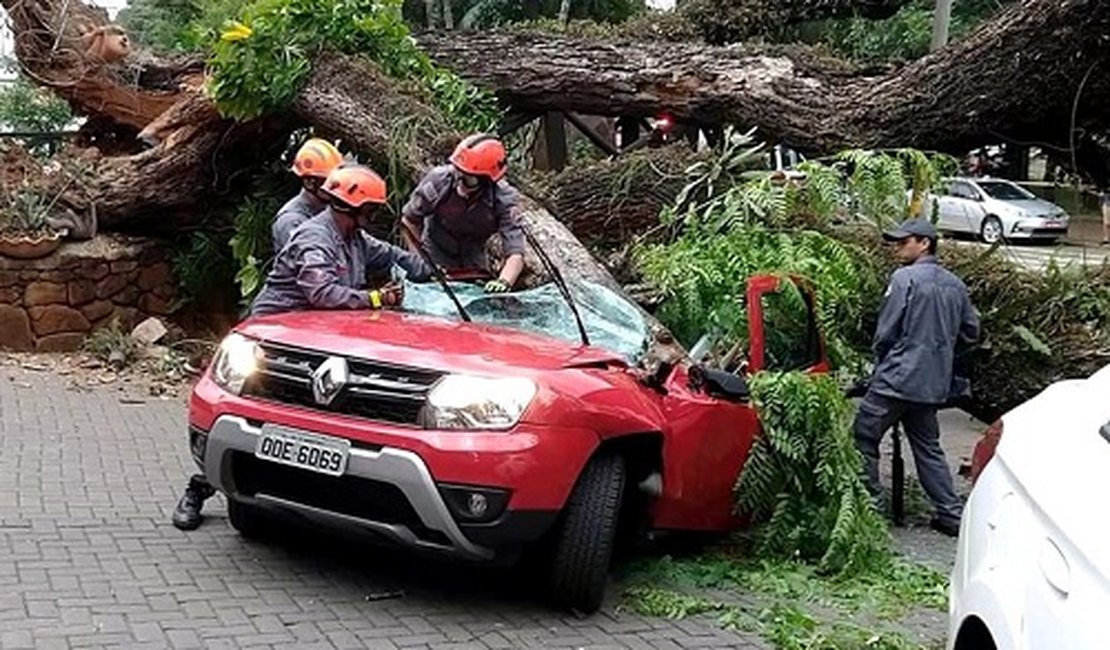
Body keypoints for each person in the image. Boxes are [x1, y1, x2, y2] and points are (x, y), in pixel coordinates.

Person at [171, 166, 430, 531]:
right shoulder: (313, 237)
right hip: (276, 341)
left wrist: (428, 270)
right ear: (353, 208)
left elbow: (389, 254)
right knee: (257, 426)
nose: (371, 218)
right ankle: (199, 488)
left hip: (320, 343)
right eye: (370, 210)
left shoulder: (355, 238)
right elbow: (321, 293)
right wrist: (376, 297)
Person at [852, 218, 980, 538]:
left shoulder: (905, 278)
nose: (898, 248)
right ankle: (951, 516)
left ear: (924, 243)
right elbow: (971, 333)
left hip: (896, 378)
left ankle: (871, 509)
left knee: (864, 437)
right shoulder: (955, 285)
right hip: (931, 384)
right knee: (928, 448)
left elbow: (886, 332)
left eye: (904, 241)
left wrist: (879, 366)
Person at [401, 134, 525, 293]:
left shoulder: (504, 199)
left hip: (473, 262)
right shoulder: (439, 181)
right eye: (458, 172)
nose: (460, 181)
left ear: (486, 180)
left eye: (468, 179)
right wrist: (421, 262)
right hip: (436, 252)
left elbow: (515, 252)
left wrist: (504, 281)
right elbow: (409, 220)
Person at [271, 138, 344, 254]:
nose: (336, 185)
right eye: (329, 180)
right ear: (309, 182)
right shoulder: (291, 221)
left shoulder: (331, 210)